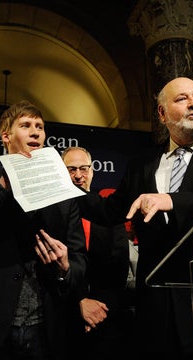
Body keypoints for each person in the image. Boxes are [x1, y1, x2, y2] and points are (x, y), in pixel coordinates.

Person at [77, 77, 193, 359]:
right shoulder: (143, 163)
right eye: (181, 99)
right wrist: (63, 190)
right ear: (162, 114)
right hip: (156, 303)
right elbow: (110, 211)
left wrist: (172, 200)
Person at [0, 100, 88, 360]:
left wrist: (65, 267)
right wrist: (3, 185)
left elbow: (79, 257)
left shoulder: (63, 192)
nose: (36, 131)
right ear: (6, 136)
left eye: (40, 126)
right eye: (25, 125)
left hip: (46, 328)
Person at [61, 146, 131, 360]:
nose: (78, 175)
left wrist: (96, 312)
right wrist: (78, 304)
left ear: (92, 172)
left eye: (83, 168)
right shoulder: (52, 213)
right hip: (61, 317)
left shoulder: (106, 212)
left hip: (103, 317)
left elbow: (118, 269)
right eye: (71, 169)